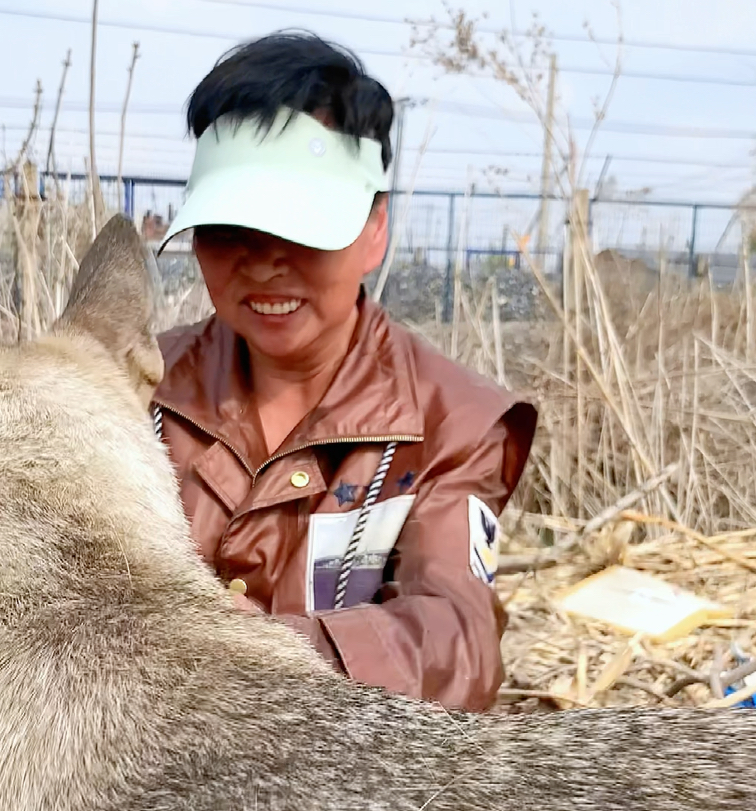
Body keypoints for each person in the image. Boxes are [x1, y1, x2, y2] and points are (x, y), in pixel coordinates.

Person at [151, 30, 537, 712]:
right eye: (231, 228)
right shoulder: (135, 391)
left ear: (375, 227)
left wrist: (259, 652)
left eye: (301, 230)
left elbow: (457, 641)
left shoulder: (453, 424)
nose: (266, 262)